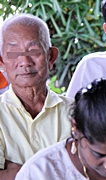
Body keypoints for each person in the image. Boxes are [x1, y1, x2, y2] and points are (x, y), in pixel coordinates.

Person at [0, 13, 73, 179]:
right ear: (1, 62)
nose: (25, 61)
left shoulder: (78, 112)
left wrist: (17, 172)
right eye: (13, 52)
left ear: (51, 57)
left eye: (34, 50)